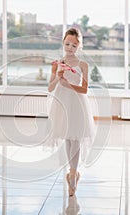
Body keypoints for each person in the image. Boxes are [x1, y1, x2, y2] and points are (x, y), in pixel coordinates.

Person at [48, 28, 95, 196]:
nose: (70, 47)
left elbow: (84, 89)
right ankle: (72, 172)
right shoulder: (57, 63)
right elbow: (50, 87)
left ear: (79, 46)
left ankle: (73, 173)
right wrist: (57, 77)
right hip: (62, 104)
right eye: (67, 44)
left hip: (77, 103)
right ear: (63, 43)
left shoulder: (83, 65)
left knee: (76, 138)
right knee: (68, 137)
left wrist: (69, 85)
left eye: (74, 45)